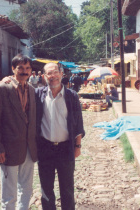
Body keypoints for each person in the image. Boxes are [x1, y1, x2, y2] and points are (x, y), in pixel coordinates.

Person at [0, 54, 37, 210]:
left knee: (27, 188)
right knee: (9, 193)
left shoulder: (32, 90)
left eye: (27, 68)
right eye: (20, 68)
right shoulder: (1, 89)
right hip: (8, 149)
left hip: (29, 148)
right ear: (13, 69)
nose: (24, 71)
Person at [35, 62, 85, 210]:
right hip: (45, 148)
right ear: (44, 76)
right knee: (46, 190)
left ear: (62, 74)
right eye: (49, 73)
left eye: (55, 72)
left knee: (67, 190)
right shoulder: (38, 94)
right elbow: (21, 89)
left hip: (65, 148)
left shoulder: (71, 96)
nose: (53, 76)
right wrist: (9, 79)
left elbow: (78, 124)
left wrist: (78, 145)